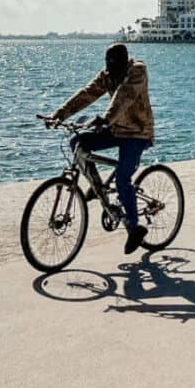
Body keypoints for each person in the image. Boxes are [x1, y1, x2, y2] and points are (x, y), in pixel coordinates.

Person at [47, 42, 154, 254]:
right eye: (107, 64)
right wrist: (58, 115)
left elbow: (123, 97)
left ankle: (134, 227)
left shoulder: (137, 71)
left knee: (123, 179)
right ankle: (97, 186)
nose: (109, 69)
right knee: (78, 143)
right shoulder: (107, 75)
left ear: (125, 61)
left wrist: (105, 119)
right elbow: (87, 94)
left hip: (137, 133)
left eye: (114, 64)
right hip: (114, 128)